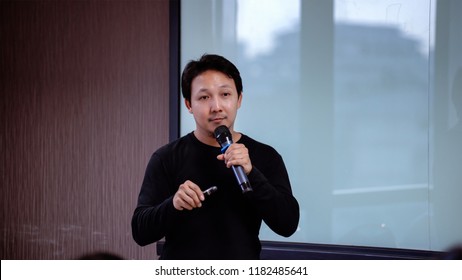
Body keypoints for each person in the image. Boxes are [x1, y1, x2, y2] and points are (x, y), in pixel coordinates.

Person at [131, 54, 299, 259]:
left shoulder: (265, 156)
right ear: (188, 105)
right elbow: (140, 231)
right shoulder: (166, 158)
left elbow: (288, 224)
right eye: (204, 97)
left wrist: (251, 173)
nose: (216, 106)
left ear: (239, 99)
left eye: (225, 94)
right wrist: (173, 204)